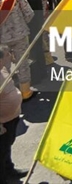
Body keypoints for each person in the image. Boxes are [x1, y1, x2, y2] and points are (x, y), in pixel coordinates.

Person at [0, 45, 25, 182]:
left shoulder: (2, 69)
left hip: (12, 117)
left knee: (7, 147)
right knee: (1, 151)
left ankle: (10, 170)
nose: (10, 55)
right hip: (3, 122)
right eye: (7, 54)